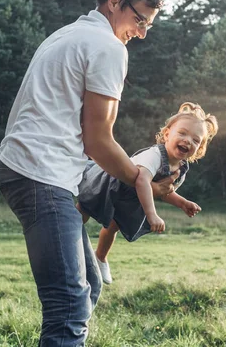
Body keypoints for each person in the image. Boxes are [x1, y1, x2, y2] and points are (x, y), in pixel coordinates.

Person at [0, 0, 174, 346]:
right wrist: (144, 180)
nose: (141, 32)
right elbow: (98, 141)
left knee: (89, 284)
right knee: (70, 304)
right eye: (139, 19)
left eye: (148, 26)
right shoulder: (108, 47)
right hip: (42, 175)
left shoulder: (69, 33)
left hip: (28, 169)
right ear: (114, 1)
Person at [77, 102, 218, 284]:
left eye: (196, 140)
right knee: (84, 209)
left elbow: (164, 191)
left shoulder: (181, 168)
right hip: (110, 183)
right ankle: (67, 236)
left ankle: (100, 257)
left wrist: (182, 202)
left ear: (199, 149)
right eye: (182, 133)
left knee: (113, 227)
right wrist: (152, 216)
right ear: (167, 134)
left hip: (127, 197)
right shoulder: (155, 155)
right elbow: (142, 180)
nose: (188, 140)